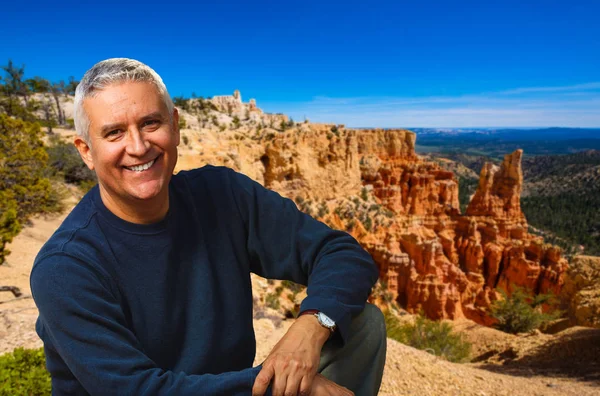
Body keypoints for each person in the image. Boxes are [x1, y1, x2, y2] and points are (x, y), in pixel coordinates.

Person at [30, 58, 386, 396]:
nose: (138, 147)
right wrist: (288, 387)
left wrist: (312, 325)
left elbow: (342, 252)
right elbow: (137, 390)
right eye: (114, 133)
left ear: (175, 126)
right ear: (86, 151)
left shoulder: (222, 194)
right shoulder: (66, 266)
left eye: (150, 123)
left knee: (359, 324)